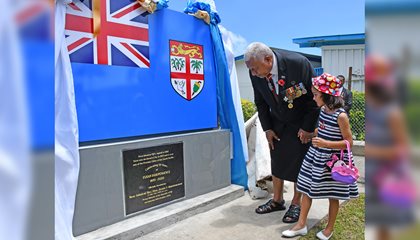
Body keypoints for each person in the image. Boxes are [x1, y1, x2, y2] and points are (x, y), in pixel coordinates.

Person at [244, 42, 319, 223]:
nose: (253, 74)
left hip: (300, 122)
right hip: (277, 122)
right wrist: (267, 128)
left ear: (268, 59)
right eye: (251, 70)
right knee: (277, 161)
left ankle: (296, 203)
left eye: (255, 69)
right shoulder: (255, 70)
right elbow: (260, 102)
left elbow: (313, 99)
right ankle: (277, 200)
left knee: (300, 164)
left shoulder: (298, 64)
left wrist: (308, 128)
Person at [282, 73, 359, 239]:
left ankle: (329, 229)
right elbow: (323, 129)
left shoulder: (342, 116)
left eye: (316, 95)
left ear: (327, 95)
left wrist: (326, 144)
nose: (314, 98)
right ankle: (301, 225)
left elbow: (349, 142)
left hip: (333, 162)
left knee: (333, 195)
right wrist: (311, 134)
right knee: (305, 188)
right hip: (316, 157)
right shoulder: (323, 110)